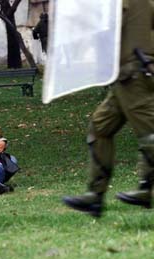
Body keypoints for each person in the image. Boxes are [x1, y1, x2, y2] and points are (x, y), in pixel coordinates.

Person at [63, 0, 154, 217]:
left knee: (151, 136)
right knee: (100, 127)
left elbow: (106, 23)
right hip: (127, 76)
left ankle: (146, 189)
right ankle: (95, 195)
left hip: (135, 76)